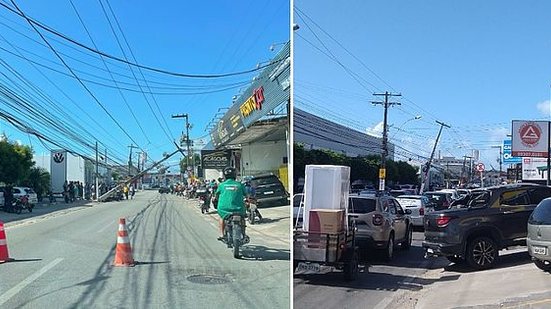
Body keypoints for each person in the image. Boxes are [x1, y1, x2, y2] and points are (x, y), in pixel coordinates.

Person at [214, 167, 248, 242]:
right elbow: (246, 195)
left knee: (221, 217)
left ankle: (221, 234)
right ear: (235, 175)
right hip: (239, 209)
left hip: (224, 209)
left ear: (225, 176)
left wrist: (215, 199)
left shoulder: (221, 185)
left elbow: (216, 195)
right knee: (242, 218)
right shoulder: (239, 185)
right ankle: (244, 234)